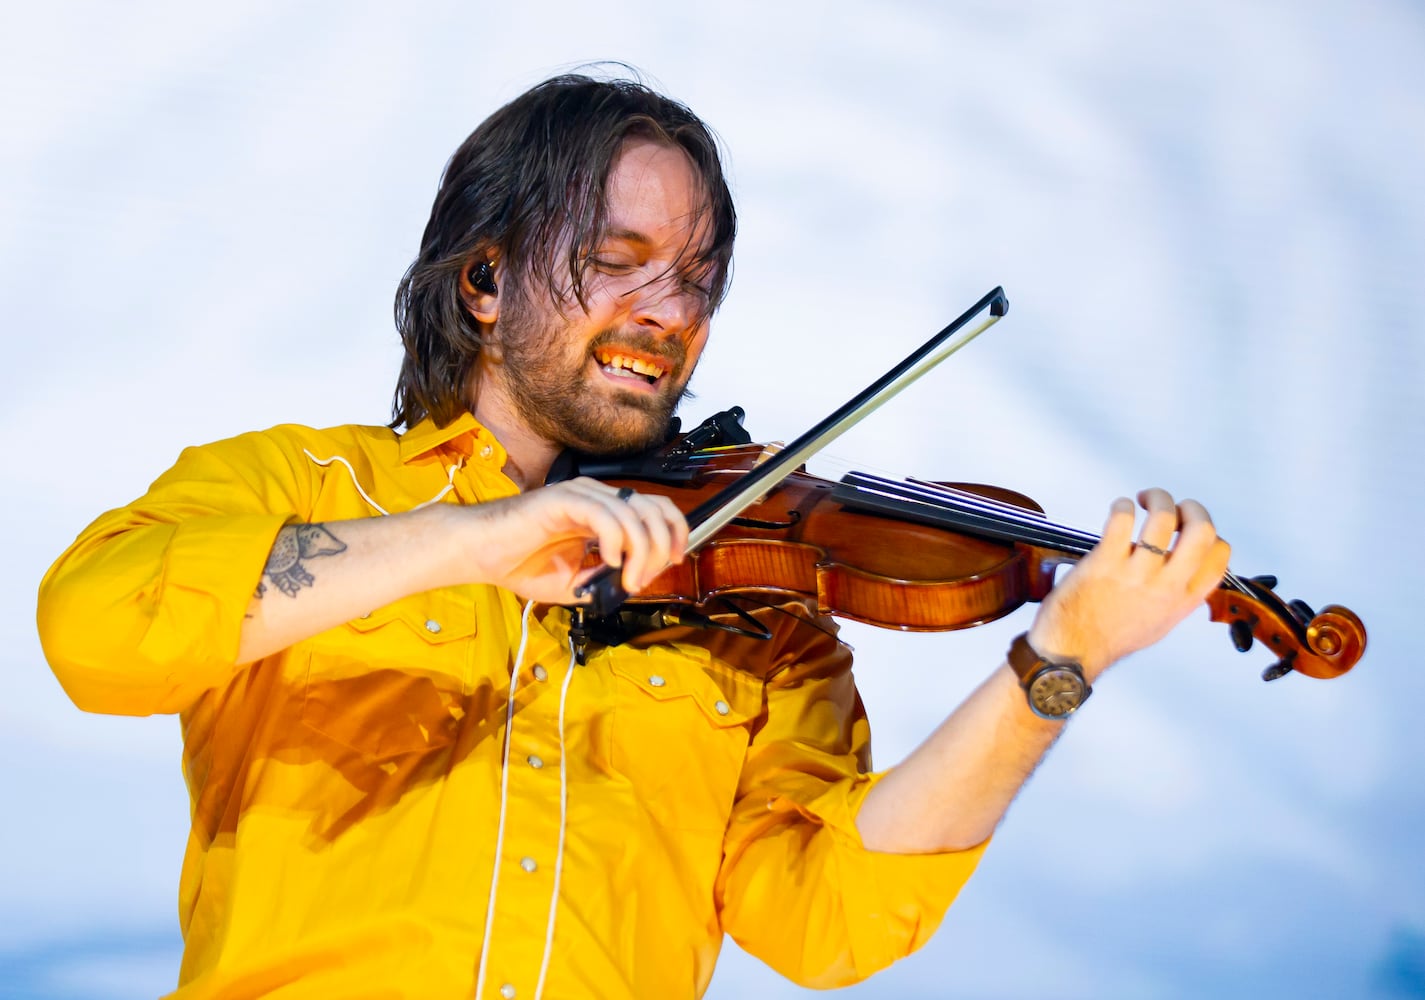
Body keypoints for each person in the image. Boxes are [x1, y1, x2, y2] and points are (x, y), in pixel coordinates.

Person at [37, 74, 1231, 1000]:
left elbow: (827, 915)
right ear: (486, 281)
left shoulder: (757, 607)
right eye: (619, 264)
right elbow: (96, 631)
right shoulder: (305, 484)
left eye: (699, 280)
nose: (668, 315)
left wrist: (1056, 660)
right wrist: (477, 539)